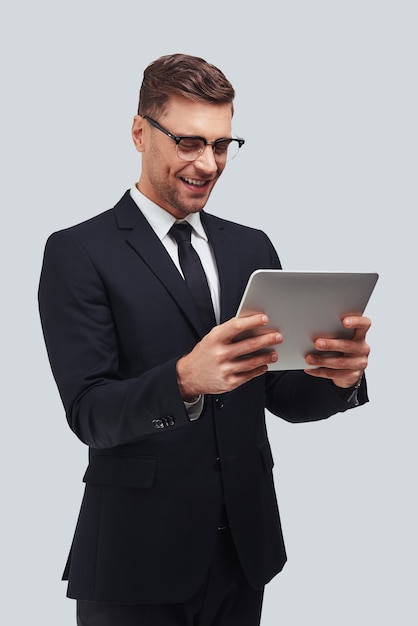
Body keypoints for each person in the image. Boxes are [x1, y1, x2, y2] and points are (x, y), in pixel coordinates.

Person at [38, 53, 372, 626]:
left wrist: (340, 378)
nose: (208, 163)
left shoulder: (252, 248)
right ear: (140, 132)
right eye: (189, 142)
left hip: (244, 550)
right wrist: (185, 378)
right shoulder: (78, 251)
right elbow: (89, 412)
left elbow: (284, 396)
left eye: (222, 145)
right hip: (134, 557)